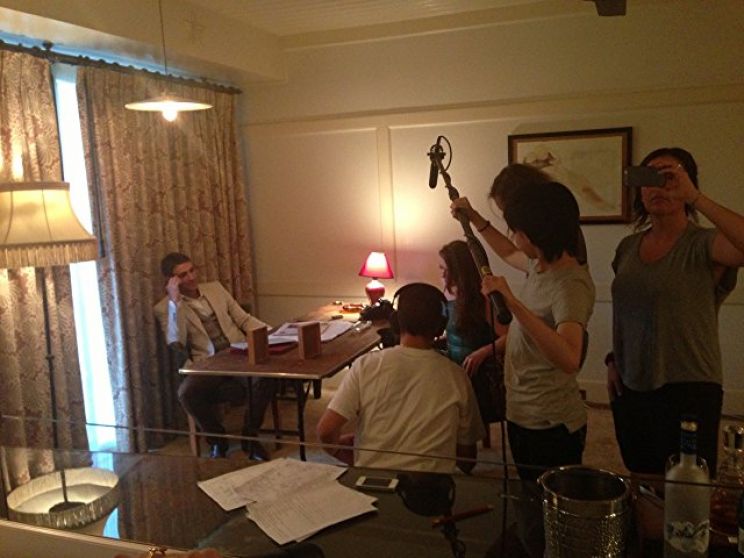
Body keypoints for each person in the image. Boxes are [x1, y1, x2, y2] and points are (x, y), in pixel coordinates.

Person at [607, 147, 744, 475]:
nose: (660, 186)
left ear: (688, 183)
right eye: (649, 177)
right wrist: (613, 360)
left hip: (689, 385)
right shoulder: (627, 248)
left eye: (669, 176)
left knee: (688, 485)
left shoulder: (705, 243)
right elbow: (631, 312)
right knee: (641, 475)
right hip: (631, 382)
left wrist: (696, 197)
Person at [452, 181, 595, 481]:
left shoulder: (570, 286)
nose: (512, 236)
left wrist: (513, 304)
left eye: (516, 230)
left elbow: (570, 357)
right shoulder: (539, 265)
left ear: (537, 233)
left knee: (548, 494)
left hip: (550, 420)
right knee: (527, 490)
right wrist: (473, 217)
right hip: (521, 410)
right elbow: (506, 251)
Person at [316, 282, 485, 474]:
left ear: (396, 322)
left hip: (372, 481)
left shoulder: (365, 366)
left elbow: (325, 431)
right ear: (440, 327)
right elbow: (467, 461)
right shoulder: (457, 376)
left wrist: (339, 451)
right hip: (432, 486)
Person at [153, 252, 275, 460]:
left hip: (238, 353)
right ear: (171, 281)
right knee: (186, 393)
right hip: (208, 362)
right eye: (183, 275)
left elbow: (244, 320)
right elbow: (176, 341)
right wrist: (175, 303)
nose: (191, 277)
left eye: (192, 270)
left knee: (264, 380)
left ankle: (250, 438)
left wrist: (273, 334)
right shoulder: (165, 308)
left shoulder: (216, 289)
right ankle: (217, 440)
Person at [461, 162, 587, 265]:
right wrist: (474, 217)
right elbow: (511, 253)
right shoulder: (549, 247)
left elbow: (512, 254)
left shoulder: (558, 253)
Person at [439, 240, 506, 425]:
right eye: (441, 268)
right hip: (456, 368)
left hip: (481, 373)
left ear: (459, 270)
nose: (442, 274)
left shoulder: (485, 299)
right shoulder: (449, 296)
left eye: (445, 269)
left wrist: (482, 352)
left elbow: (509, 337)